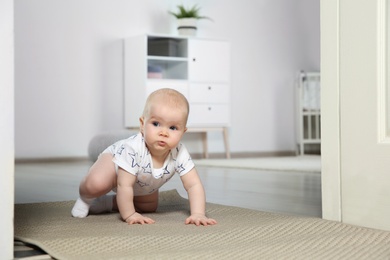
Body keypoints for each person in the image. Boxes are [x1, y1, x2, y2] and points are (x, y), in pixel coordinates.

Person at [71, 88, 217, 226]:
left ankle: (106, 203)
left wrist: (198, 213)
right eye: (156, 124)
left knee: (148, 207)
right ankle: (85, 199)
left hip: (142, 183)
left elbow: (193, 185)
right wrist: (130, 215)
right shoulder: (133, 148)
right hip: (115, 164)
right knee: (96, 184)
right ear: (142, 124)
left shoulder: (180, 153)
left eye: (173, 128)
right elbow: (124, 185)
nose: (164, 133)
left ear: (183, 132)